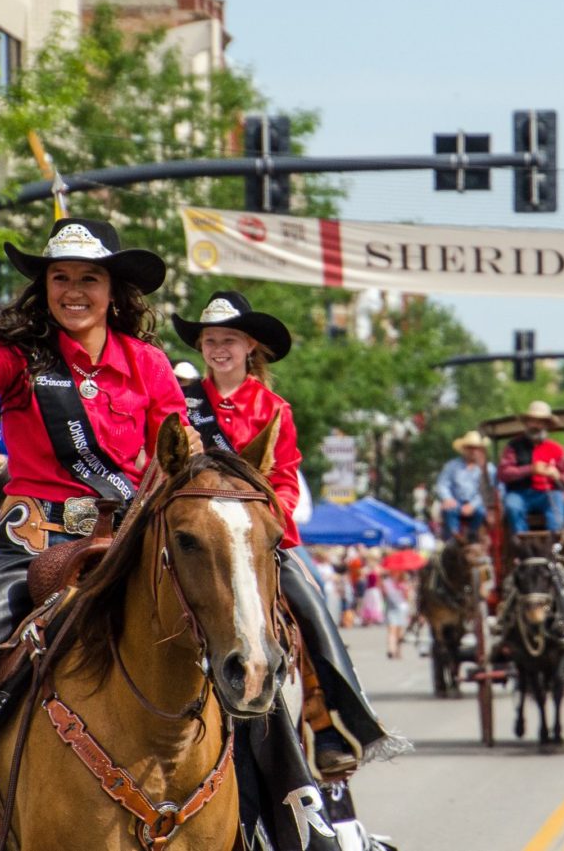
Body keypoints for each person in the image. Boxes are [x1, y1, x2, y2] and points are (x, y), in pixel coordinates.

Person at [0, 200, 197, 851]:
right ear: (44, 287)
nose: (74, 291)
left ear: (114, 292)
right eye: (61, 278)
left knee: (239, 658)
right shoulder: (19, 359)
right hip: (30, 549)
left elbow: (177, 456)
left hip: (127, 544)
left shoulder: (149, 364)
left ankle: (278, 816)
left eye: (89, 279)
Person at [174, 290, 402, 781]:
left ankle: (333, 720)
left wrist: (265, 522)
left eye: (229, 340)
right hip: (196, 531)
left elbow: (286, 478)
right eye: (211, 340)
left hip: (260, 535)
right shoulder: (181, 402)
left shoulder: (274, 408)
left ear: (250, 346)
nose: (218, 349)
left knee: (311, 602)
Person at [497, 401, 564, 537]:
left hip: (547, 494)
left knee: (556, 505)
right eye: (533, 421)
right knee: (512, 506)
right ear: (527, 423)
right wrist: (530, 469)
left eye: (540, 422)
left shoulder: (556, 449)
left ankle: (554, 544)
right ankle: (523, 545)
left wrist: (557, 476)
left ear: (547, 425)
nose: (536, 425)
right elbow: (503, 473)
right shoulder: (514, 446)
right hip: (520, 493)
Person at [435, 430, 496, 540]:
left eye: (475, 448)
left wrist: (473, 505)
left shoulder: (489, 469)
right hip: (455, 502)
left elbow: (487, 491)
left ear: (481, 450)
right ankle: (453, 542)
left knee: (480, 513)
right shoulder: (451, 466)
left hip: (477, 504)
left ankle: (473, 541)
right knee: (449, 511)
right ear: (464, 449)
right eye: (469, 447)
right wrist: (447, 498)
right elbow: (442, 484)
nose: (473, 451)